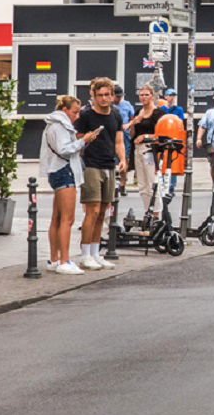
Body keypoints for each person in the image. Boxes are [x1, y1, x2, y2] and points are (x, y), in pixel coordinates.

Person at [41, 94, 99, 273]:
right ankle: (65, 261)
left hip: (58, 170)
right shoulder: (59, 126)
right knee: (67, 219)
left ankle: (54, 259)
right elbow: (64, 150)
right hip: (64, 171)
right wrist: (84, 141)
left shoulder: (54, 124)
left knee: (57, 218)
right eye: (75, 112)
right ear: (64, 110)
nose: (77, 116)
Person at [72, 77, 123, 270]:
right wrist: (86, 138)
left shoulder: (116, 115)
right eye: (99, 95)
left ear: (112, 96)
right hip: (91, 164)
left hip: (109, 164)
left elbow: (118, 140)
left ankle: (95, 253)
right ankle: (85, 255)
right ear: (92, 96)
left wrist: (123, 159)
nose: (103, 98)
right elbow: (75, 136)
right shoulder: (86, 115)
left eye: (107, 95)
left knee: (103, 211)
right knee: (92, 211)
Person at [127, 84, 163, 215]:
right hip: (137, 149)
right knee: (142, 185)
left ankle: (156, 214)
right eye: (141, 95)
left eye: (146, 94)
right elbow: (132, 134)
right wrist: (133, 123)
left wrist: (145, 136)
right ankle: (147, 211)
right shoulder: (138, 112)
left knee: (152, 182)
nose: (143, 97)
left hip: (150, 149)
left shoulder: (158, 113)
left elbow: (161, 135)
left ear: (152, 96)